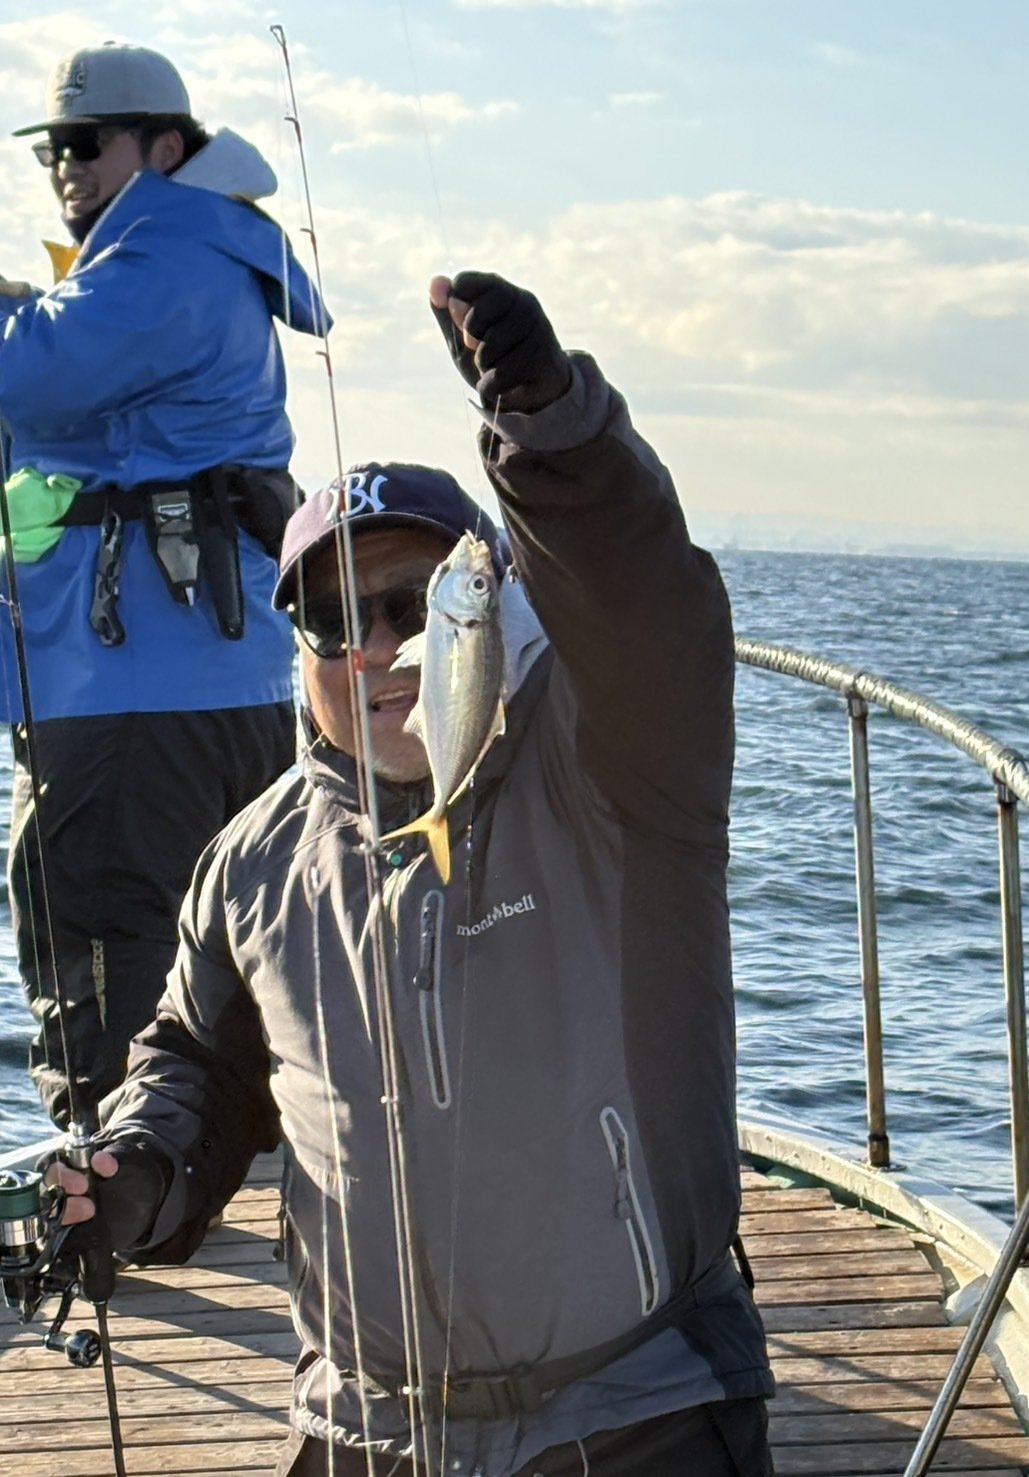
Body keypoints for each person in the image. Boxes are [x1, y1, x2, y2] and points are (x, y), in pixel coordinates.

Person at [54, 270, 774, 1475]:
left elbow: (646, 598)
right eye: (333, 622)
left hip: (635, 1408)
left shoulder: (619, 765)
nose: (378, 648)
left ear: (490, 604)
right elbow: (196, 1068)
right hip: (360, 1421)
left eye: (412, 604)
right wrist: (141, 1172)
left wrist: (549, 428)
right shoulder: (253, 862)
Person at [0, 42, 328, 1127]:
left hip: (129, 688)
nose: (66, 166)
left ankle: (116, 1178)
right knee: (229, 946)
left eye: (86, 143)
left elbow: (30, 377)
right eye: (52, 149)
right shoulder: (187, 254)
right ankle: (219, 1164)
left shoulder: (168, 254)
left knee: (101, 936)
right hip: (217, 681)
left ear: (167, 147)